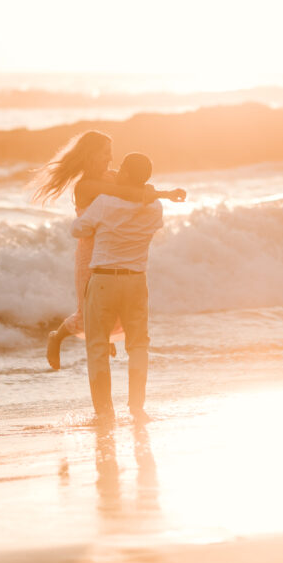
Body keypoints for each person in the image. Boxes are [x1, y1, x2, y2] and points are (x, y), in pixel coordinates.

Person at [30, 131, 184, 370]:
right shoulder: (86, 187)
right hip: (91, 256)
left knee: (116, 310)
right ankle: (57, 337)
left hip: (115, 250)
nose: (110, 160)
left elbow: (135, 186)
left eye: (111, 155)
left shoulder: (110, 177)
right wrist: (164, 194)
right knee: (86, 314)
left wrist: (150, 187)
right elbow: (127, 193)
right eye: (105, 155)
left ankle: (105, 337)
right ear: (90, 156)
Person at [71, 153, 166, 423]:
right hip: (136, 280)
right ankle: (137, 408)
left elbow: (77, 230)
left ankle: (104, 412)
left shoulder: (104, 203)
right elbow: (154, 226)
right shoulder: (155, 207)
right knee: (138, 345)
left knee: (98, 346)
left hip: (103, 280)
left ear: (124, 174)